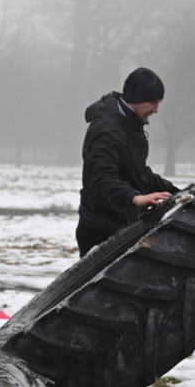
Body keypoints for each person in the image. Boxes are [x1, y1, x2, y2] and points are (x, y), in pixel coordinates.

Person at [76, 67, 180, 257]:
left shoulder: (131, 125)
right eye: (153, 102)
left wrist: (177, 193)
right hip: (100, 229)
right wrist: (135, 198)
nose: (156, 110)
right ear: (137, 99)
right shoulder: (106, 129)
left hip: (124, 223)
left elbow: (138, 172)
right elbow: (101, 178)